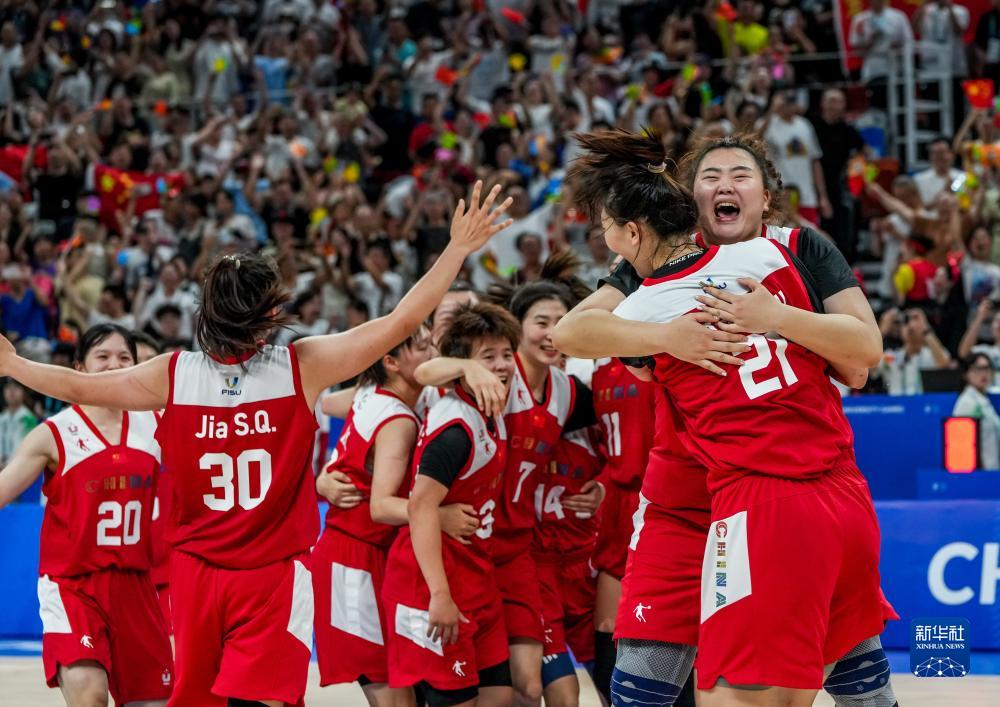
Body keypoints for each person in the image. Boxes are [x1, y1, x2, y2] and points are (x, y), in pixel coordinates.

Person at [0, 181, 513, 707]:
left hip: (201, 575)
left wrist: (15, 365)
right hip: (271, 573)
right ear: (268, 314)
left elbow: (77, 385)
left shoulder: (174, 374)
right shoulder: (302, 366)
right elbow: (400, 321)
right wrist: (455, 249)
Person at [553, 131, 897, 707]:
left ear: (766, 197)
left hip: (757, 494)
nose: (724, 187)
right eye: (709, 177)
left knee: (758, 684)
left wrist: (772, 317)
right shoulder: (761, 261)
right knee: (695, 674)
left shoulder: (783, 252)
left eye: (740, 175)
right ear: (687, 199)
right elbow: (579, 329)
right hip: (731, 492)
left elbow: (861, 362)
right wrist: (668, 339)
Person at [416, 280, 600, 707]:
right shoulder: (494, 370)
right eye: (541, 323)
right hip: (470, 546)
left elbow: (620, 427)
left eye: (561, 322)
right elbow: (423, 373)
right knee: (466, 684)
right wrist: (467, 367)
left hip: (519, 550)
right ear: (519, 329)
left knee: (528, 686)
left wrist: (603, 485)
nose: (552, 333)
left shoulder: (567, 389)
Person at [0, 324, 173, 707]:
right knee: (89, 693)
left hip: (135, 586)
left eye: (124, 357)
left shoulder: (156, 424)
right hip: (73, 586)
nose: (115, 365)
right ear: (78, 368)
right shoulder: (54, 433)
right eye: (103, 356)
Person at [312, 325, 479, 707]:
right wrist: (437, 515)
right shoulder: (399, 421)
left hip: (367, 553)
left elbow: (326, 403)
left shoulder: (371, 392)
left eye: (432, 344)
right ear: (390, 362)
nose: (431, 353)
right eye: (421, 347)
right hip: (354, 558)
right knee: (390, 694)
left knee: (404, 687)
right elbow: (380, 506)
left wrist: (326, 476)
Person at [382, 302, 521, 707]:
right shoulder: (454, 429)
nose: (501, 365)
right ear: (462, 368)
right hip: (431, 584)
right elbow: (420, 508)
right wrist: (439, 595)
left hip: (477, 578)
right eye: (488, 357)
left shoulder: (493, 405)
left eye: (506, 355)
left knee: (502, 697)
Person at [587, 356, 656, 704]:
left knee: (672, 641)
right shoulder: (595, 371)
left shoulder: (659, 351)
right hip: (619, 506)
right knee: (607, 642)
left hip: (663, 501)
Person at [953, 352, 1000, 470]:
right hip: (977, 474)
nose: (984, 373)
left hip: (992, 470)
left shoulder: (985, 401)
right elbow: (962, 448)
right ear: (966, 374)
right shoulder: (966, 403)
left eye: (987, 368)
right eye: (978, 369)